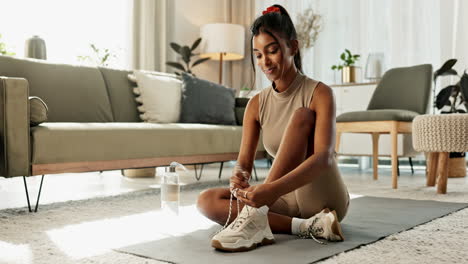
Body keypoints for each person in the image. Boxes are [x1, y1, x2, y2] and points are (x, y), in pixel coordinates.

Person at [196, 4, 350, 252]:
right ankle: (307, 226)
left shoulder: (320, 93)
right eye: (257, 55)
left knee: (302, 117)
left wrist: (268, 191)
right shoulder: (256, 104)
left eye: (272, 50)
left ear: (293, 47)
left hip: (321, 195)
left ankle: (256, 215)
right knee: (207, 200)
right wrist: (239, 178)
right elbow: (244, 164)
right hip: (281, 198)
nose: (265, 61)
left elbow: (323, 158)